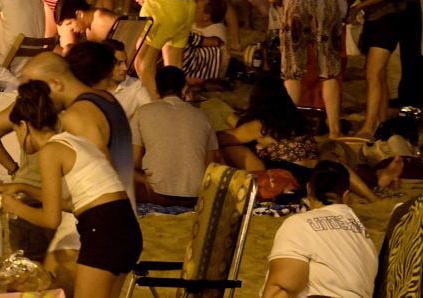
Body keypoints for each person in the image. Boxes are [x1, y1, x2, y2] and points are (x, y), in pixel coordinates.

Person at [0, 81, 142, 297]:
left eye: (15, 131)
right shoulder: (75, 142)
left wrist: (13, 206)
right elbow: (70, 205)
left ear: (23, 126)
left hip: (103, 231)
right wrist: (23, 187)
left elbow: (51, 219)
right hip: (126, 228)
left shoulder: (50, 151)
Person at [267, 0, 354, 138]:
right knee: (329, 70)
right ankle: (334, 129)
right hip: (326, 1)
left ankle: (289, 128)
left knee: (293, 70)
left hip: (296, 2)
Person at [262, 161, 378, 298]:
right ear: (346, 196)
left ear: (309, 189)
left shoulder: (300, 224)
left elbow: (283, 288)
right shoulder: (364, 236)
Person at [335, 0, 404, 139]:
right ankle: (381, 121)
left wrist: (358, 7)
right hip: (375, 19)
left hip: (390, 17)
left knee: (373, 74)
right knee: (377, 74)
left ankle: (369, 126)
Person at [131, 66, 217, 206]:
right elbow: (211, 166)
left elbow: (134, 162)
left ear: (156, 91)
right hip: (195, 195)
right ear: (184, 89)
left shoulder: (142, 112)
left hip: (156, 194)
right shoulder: (202, 117)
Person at [217, 76, 318, 185]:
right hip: (310, 176)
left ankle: (246, 185)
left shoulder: (263, 124)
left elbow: (222, 138)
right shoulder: (294, 117)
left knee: (230, 147)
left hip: (287, 177)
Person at [102, 39, 151, 121]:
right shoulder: (91, 86)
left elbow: (150, 114)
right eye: (119, 63)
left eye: (125, 62)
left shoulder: (136, 86)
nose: (125, 68)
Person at [54, 0, 121, 47]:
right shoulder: (88, 29)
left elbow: (127, 28)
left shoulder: (101, 19)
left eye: (69, 23)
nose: (71, 29)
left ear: (79, 14)